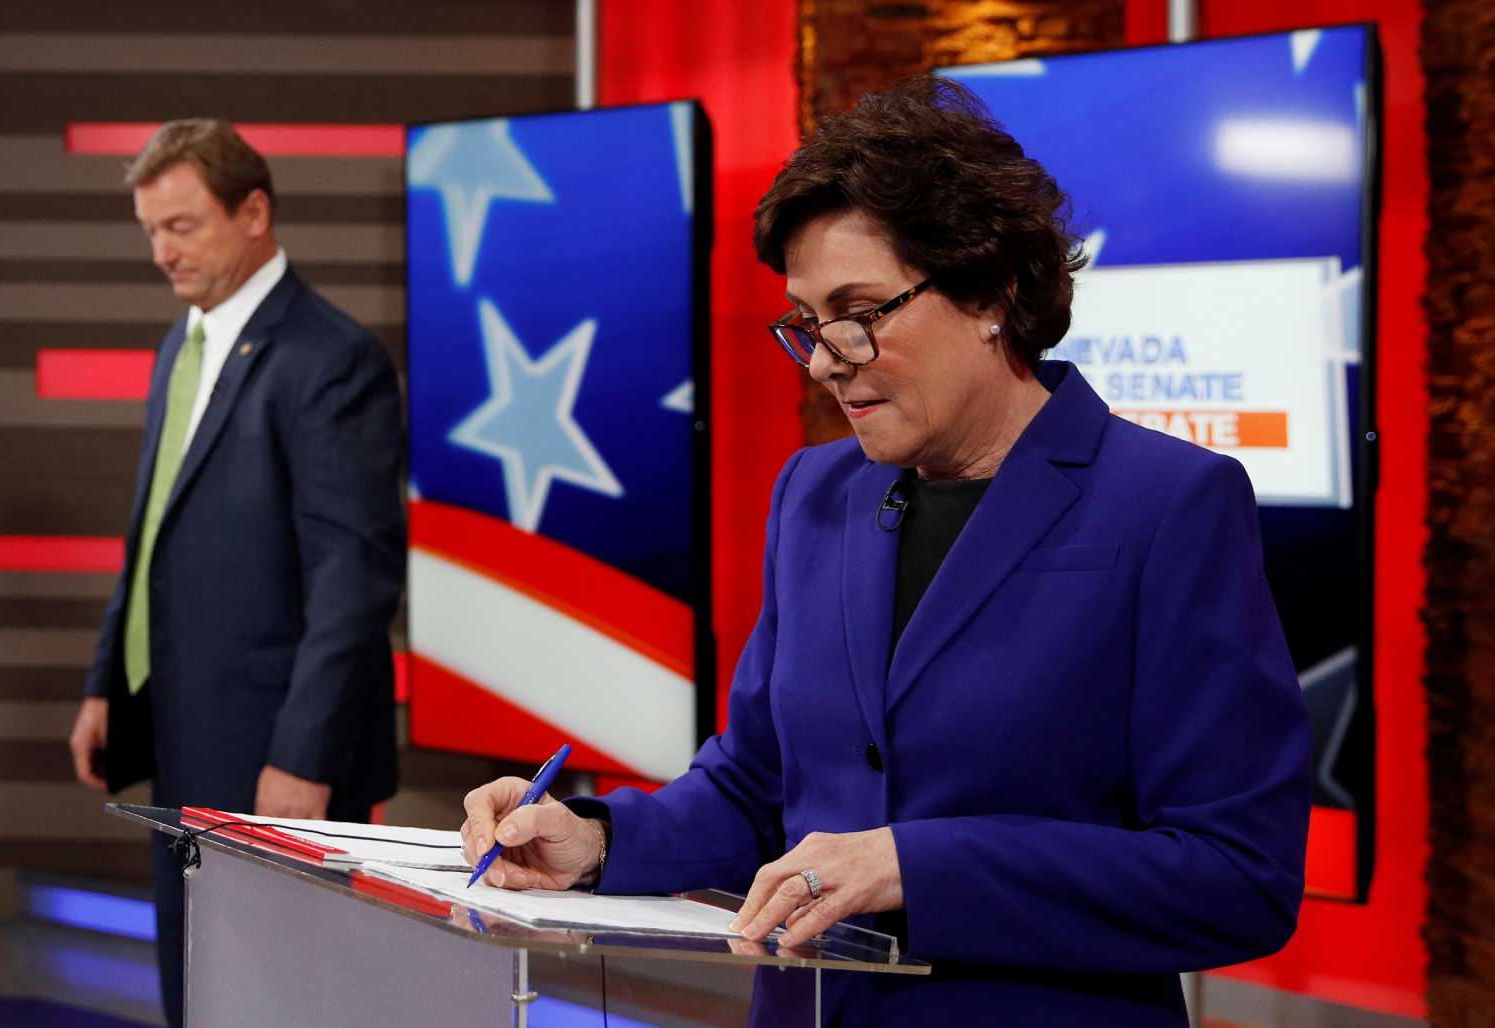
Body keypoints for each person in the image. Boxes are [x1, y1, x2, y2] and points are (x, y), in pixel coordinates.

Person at [459, 77, 1311, 1025]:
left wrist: (914, 865)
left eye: (860, 310)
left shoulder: (1170, 505)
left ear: (993, 291)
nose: (826, 356)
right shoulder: (813, 493)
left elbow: (1238, 876)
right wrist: (600, 841)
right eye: (807, 322)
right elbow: (758, 784)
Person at [66, 120, 404, 1027]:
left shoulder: (332, 359)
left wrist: (302, 756)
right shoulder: (182, 344)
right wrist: (108, 679)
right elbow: (151, 536)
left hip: (278, 750)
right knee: (199, 977)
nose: (161, 252)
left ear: (254, 212)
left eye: (181, 226)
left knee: (285, 991)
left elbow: (354, 578)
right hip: (181, 721)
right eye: (150, 231)